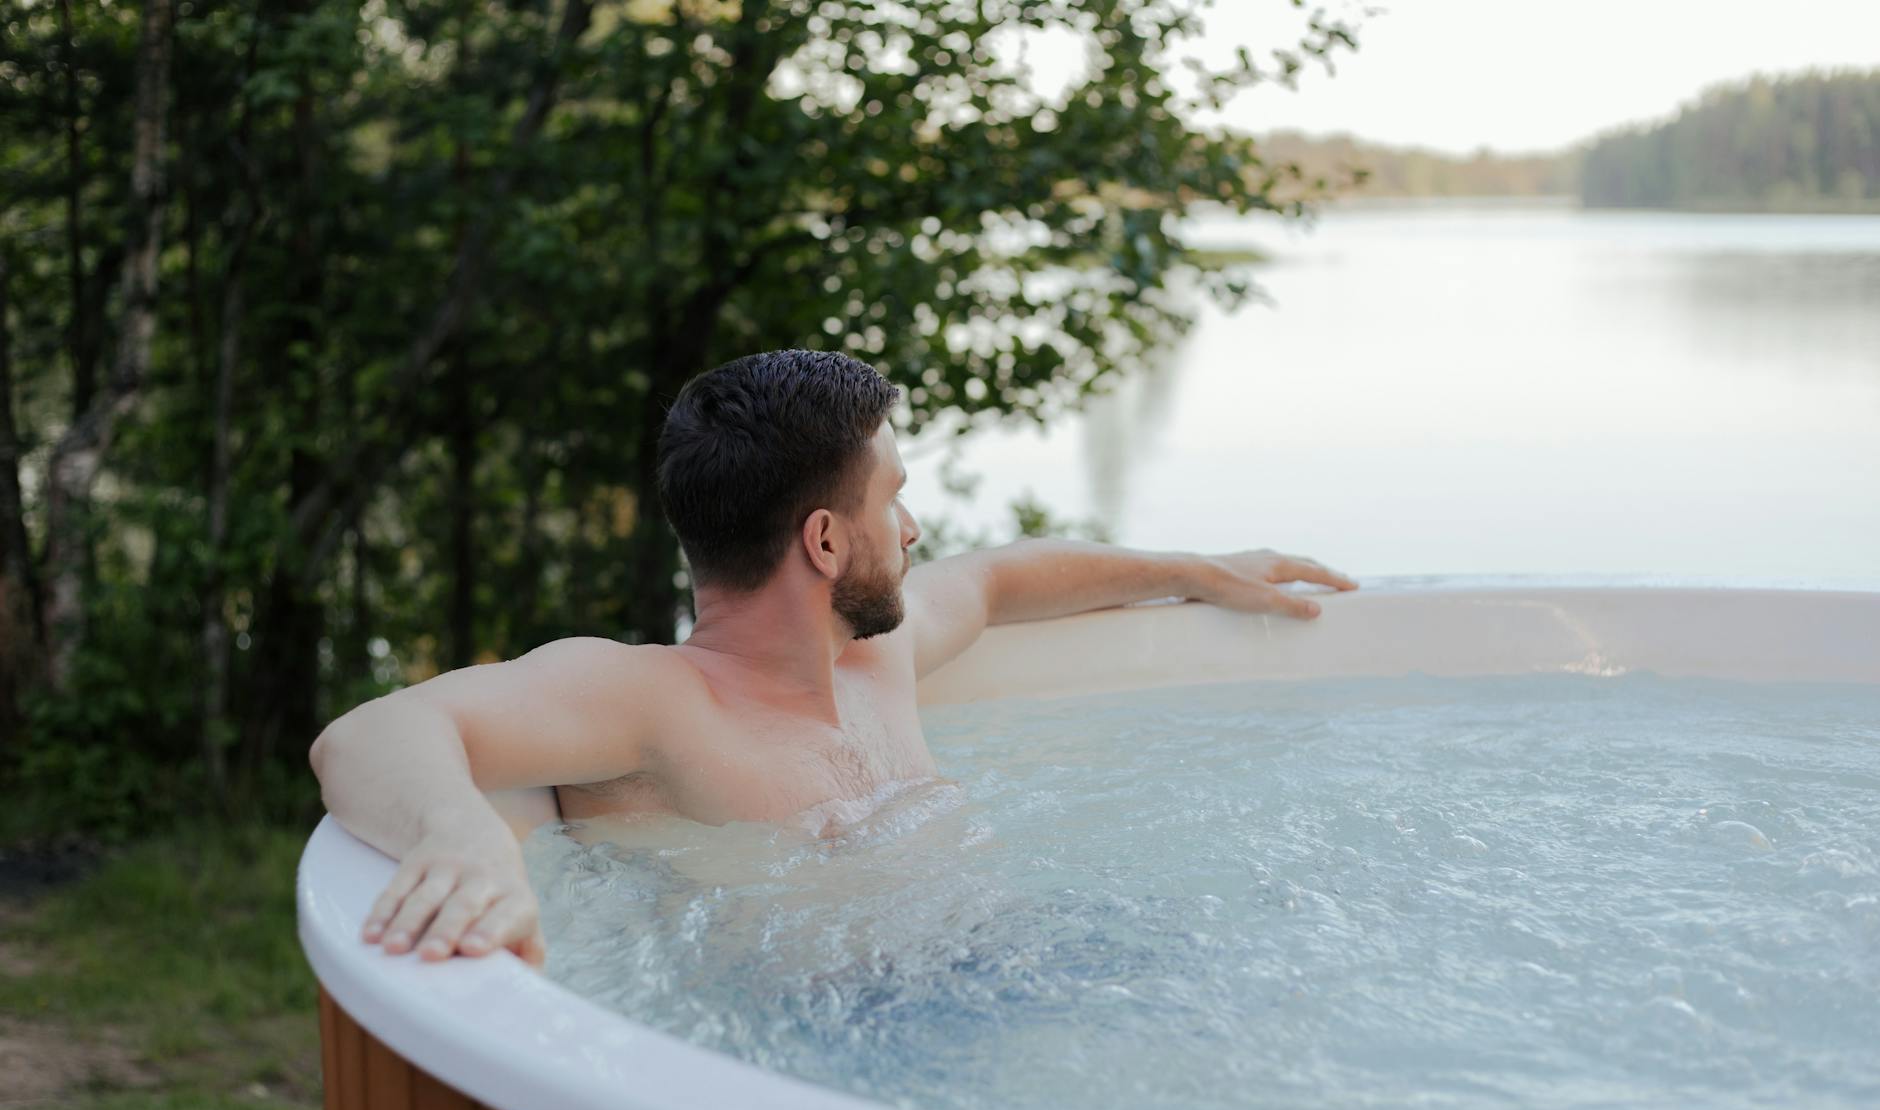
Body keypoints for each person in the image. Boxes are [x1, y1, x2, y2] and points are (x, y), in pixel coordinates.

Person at [309, 350, 1356, 966]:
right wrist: (466, 837)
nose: (909, 528)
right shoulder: (658, 703)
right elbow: (368, 734)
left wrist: (1199, 568)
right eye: (890, 497)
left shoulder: (875, 663)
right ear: (822, 540)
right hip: (830, 1061)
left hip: (1011, 966)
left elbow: (998, 579)